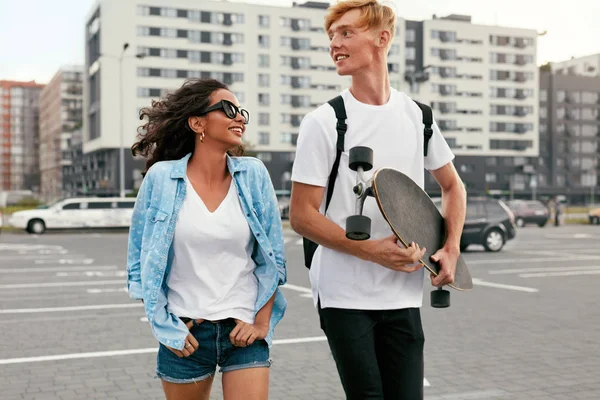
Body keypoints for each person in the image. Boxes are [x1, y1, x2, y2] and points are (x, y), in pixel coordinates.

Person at [289, 1, 467, 399]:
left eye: (346, 32)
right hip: (342, 291)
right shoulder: (325, 121)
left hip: (402, 291)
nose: (334, 43)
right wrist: (372, 252)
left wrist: (451, 249)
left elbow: (453, 186)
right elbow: (301, 216)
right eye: (331, 35)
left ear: (381, 39)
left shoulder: (419, 117)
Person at [126, 78, 287, 400]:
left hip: (242, 328)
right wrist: (164, 325)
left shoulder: (253, 174)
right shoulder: (162, 178)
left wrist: (261, 323)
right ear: (197, 122)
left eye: (241, 111)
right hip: (186, 332)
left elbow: (272, 258)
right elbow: (138, 262)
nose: (239, 117)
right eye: (228, 109)